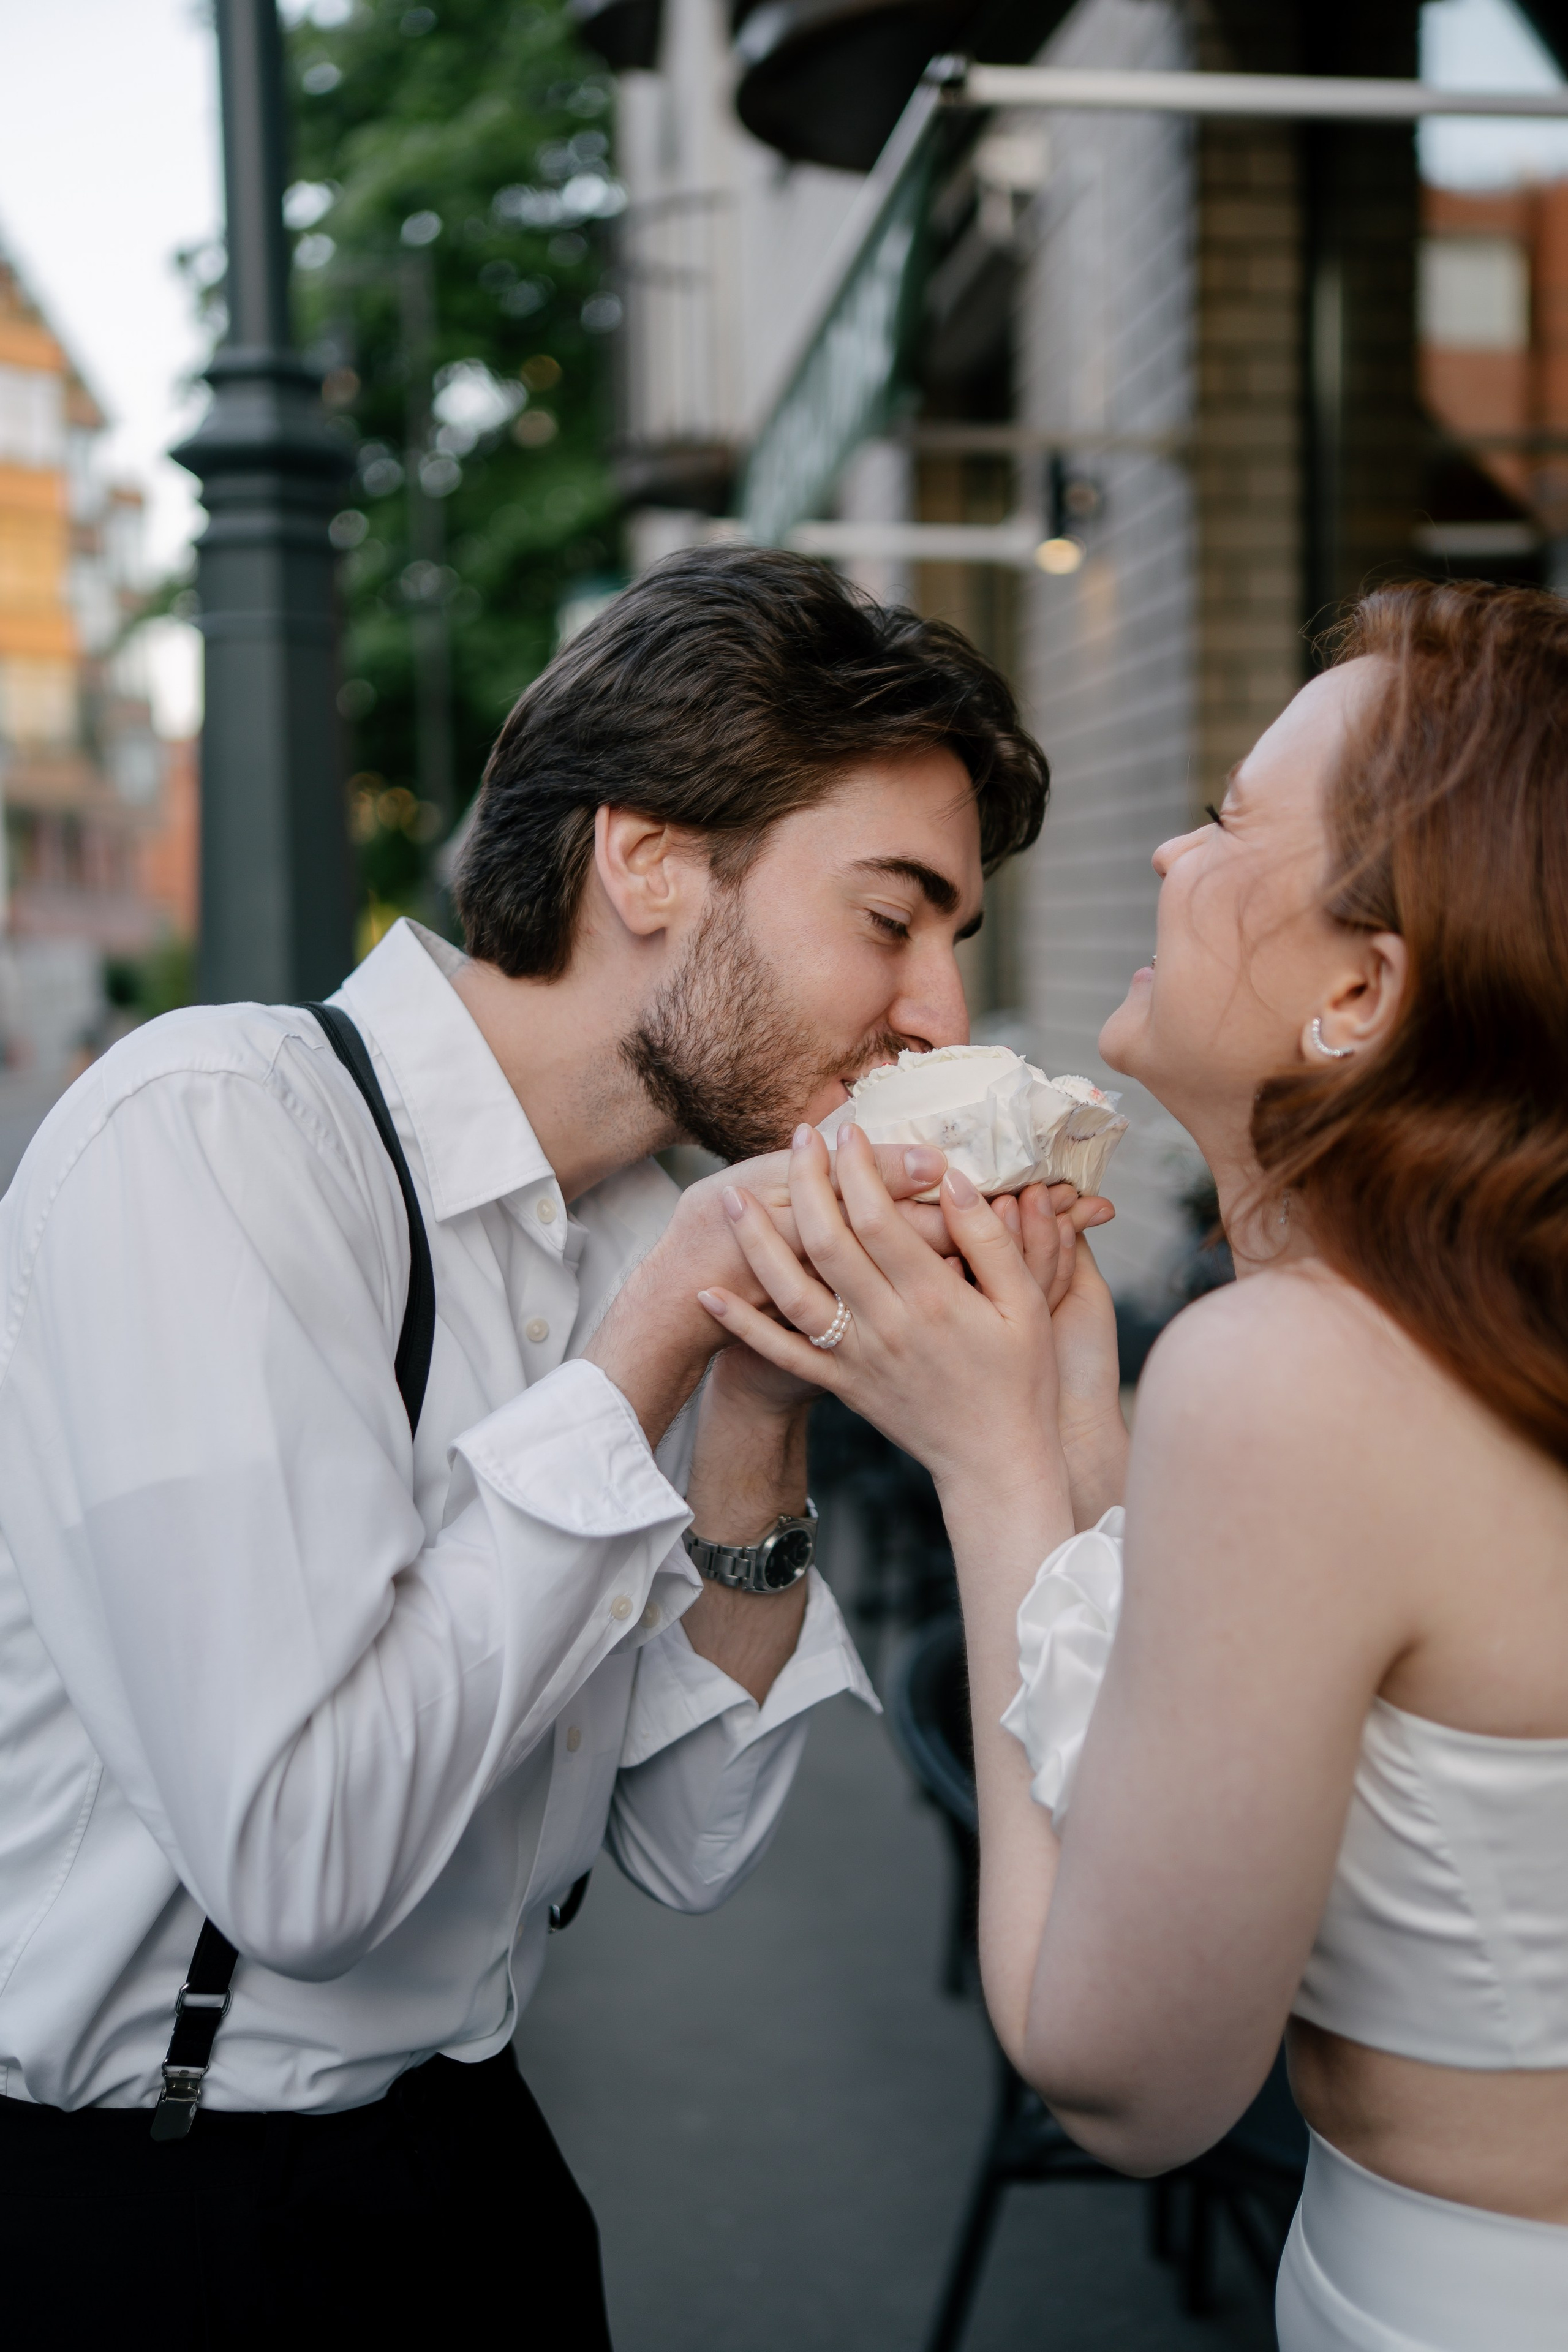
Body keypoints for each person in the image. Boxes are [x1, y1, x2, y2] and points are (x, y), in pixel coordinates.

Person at [0, 546, 1114, 2343]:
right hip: (146, 2214)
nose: (940, 1017)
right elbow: (306, 1873)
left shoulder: (643, 1221)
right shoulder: (214, 1142)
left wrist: (754, 1402)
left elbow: (687, 1842)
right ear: (651, 857)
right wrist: (663, 1330)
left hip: (476, 2181)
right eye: (892, 918)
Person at [704, 578, 1568, 2350]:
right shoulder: (1414, 1342)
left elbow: (1122, 2077)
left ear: (1361, 991)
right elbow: (1190, 1720)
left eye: (1238, 818)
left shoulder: (1305, 1377)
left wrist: (987, 1462)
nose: (1172, 852)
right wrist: (1070, 1386)